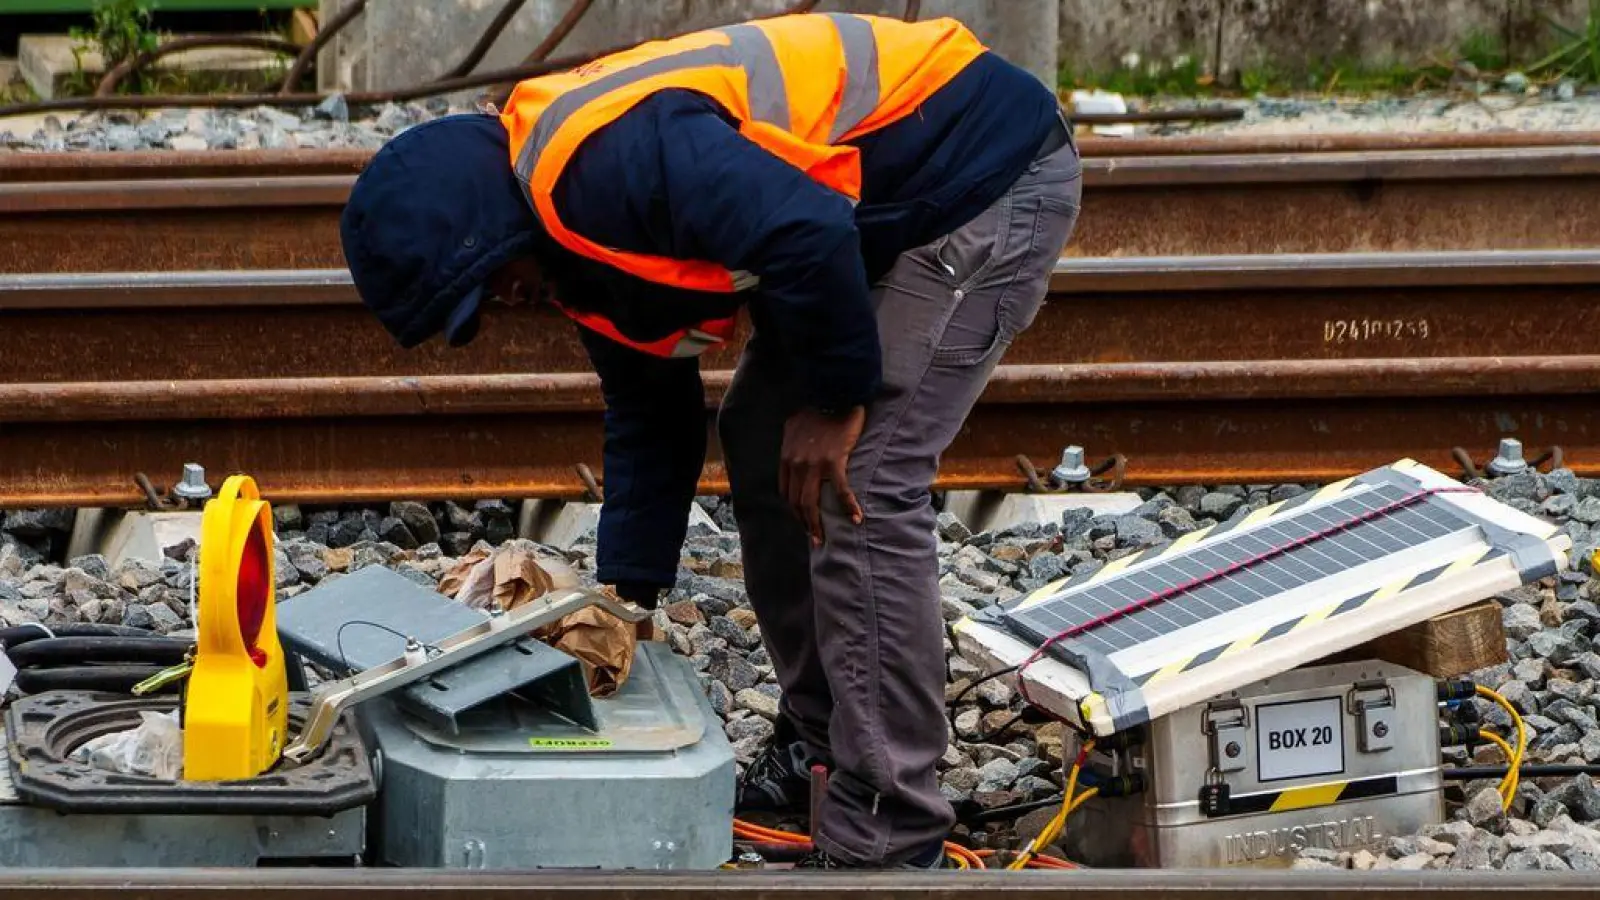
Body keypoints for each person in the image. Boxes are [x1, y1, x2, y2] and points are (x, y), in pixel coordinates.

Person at [339, 10, 1081, 870]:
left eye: (489, 286)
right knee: (763, 432)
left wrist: (841, 398)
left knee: (859, 478)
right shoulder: (570, 242)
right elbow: (652, 417)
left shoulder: (603, 167)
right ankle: (822, 744)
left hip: (982, 174)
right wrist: (624, 605)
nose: (506, 302)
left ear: (489, 229)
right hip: (877, 212)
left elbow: (807, 232)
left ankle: (891, 822)